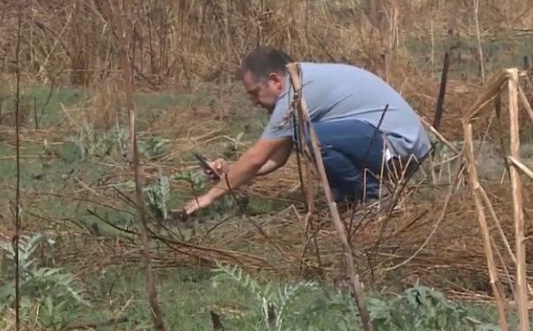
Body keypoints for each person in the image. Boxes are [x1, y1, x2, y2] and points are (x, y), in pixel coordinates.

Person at [182, 47, 432, 215]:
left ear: (275, 81)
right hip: (391, 145)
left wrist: (209, 197)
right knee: (307, 137)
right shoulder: (297, 85)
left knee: (310, 136)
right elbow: (276, 158)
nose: (254, 102)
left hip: (399, 148)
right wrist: (233, 172)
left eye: (255, 93)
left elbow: (258, 157)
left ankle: (374, 196)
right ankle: (351, 196)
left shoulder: (295, 91)